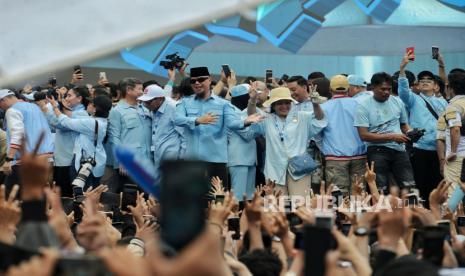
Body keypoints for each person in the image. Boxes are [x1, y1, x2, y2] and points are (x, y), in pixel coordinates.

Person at [175, 67, 262, 188]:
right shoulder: (185, 102)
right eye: (193, 81)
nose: (197, 83)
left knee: (218, 200)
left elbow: (232, 123)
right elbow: (176, 119)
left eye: (201, 79)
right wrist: (197, 120)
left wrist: (245, 122)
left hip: (216, 161)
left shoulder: (223, 104)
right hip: (193, 161)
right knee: (194, 202)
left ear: (209, 80)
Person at [248, 87, 327, 196]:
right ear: (273, 105)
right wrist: (252, 100)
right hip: (274, 169)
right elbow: (252, 117)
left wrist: (315, 104)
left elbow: (320, 119)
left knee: (300, 204)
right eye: (279, 103)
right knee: (276, 206)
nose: (284, 106)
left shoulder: (302, 117)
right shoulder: (267, 119)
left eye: (287, 103)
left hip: (300, 169)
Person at [398, 51, 447, 205]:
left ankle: (435, 214)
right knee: (419, 184)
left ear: (435, 85)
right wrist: (402, 68)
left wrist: (441, 64)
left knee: (437, 185)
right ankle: (419, 214)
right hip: (419, 148)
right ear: (417, 85)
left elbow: (445, 84)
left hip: (438, 149)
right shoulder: (413, 99)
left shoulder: (443, 102)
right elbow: (403, 91)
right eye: (422, 80)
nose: (425, 82)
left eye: (429, 80)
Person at [354, 72, 416, 194]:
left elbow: (404, 125)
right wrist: (392, 137)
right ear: (372, 87)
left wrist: (411, 133)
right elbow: (364, 136)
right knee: (381, 189)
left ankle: (412, 212)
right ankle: (382, 212)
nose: (386, 92)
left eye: (389, 89)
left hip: (400, 150)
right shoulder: (363, 106)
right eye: (383, 89)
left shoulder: (397, 102)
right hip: (377, 151)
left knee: (410, 187)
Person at [47, 95, 112, 190]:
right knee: (92, 192)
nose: (88, 105)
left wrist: (55, 107)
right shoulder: (100, 121)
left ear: (95, 110)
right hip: (97, 161)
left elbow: (66, 122)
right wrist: (66, 108)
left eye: (91, 104)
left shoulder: (91, 123)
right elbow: (75, 119)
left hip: (86, 164)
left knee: (83, 194)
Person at [0, 89, 54, 191]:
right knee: (39, 198)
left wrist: (9, 159)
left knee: (8, 197)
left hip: (26, 162)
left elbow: (17, 134)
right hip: (47, 159)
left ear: (3, 100)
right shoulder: (35, 107)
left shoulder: (12, 110)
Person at [320, 75, 367, 194]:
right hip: (359, 156)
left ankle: (340, 213)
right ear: (347, 88)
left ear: (330, 89)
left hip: (334, 158)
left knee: (338, 196)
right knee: (359, 195)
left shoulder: (323, 107)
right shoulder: (359, 105)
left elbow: (316, 133)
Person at [43, 86, 90, 197]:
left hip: (69, 161)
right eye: (66, 95)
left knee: (67, 196)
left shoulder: (82, 113)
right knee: (60, 192)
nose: (66, 98)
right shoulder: (67, 112)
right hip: (61, 159)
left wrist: (51, 108)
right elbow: (52, 124)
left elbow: (61, 124)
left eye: (69, 95)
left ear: (79, 98)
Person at [108, 78, 152, 193]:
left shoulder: (145, 108)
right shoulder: (117, 111)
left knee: (146, 200)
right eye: (140, 89)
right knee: (129, 201)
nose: (142, 92)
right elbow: (114, 137)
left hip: (147, 162)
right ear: (128, 90)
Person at [137, 84, 185, 185]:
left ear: (159, 99)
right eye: (144, 102)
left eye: (149, 102)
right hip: (158, 157)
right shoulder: (154, 108)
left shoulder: (174, 108)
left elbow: (184, 136)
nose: (146, 104)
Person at [228, 84, 263, 200]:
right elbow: (247, 135)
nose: (254, 97)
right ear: (244, 97)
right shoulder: (232, 113)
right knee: (237, 197)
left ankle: (246, 218)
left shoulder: (248, 111)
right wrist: (262, 128)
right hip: (238, 160)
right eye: (251, 95)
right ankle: (234, 218)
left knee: (249, 197)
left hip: (250, 160)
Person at [437, 71, 465, 193]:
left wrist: (452, 151)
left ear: (450, 88)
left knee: (453, 193)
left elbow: (455, 128)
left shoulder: (453, 106)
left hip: (457, 156)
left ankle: (453, 212)